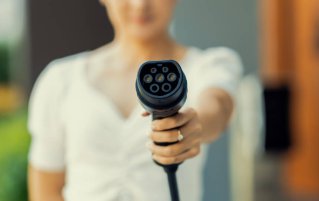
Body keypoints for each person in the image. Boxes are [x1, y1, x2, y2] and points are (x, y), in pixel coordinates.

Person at [27, 0, 242, 201]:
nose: (140, 4)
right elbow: (46, 188)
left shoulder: (210, 65)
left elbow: (218, 107)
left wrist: (195, 126)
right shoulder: (61, 80)